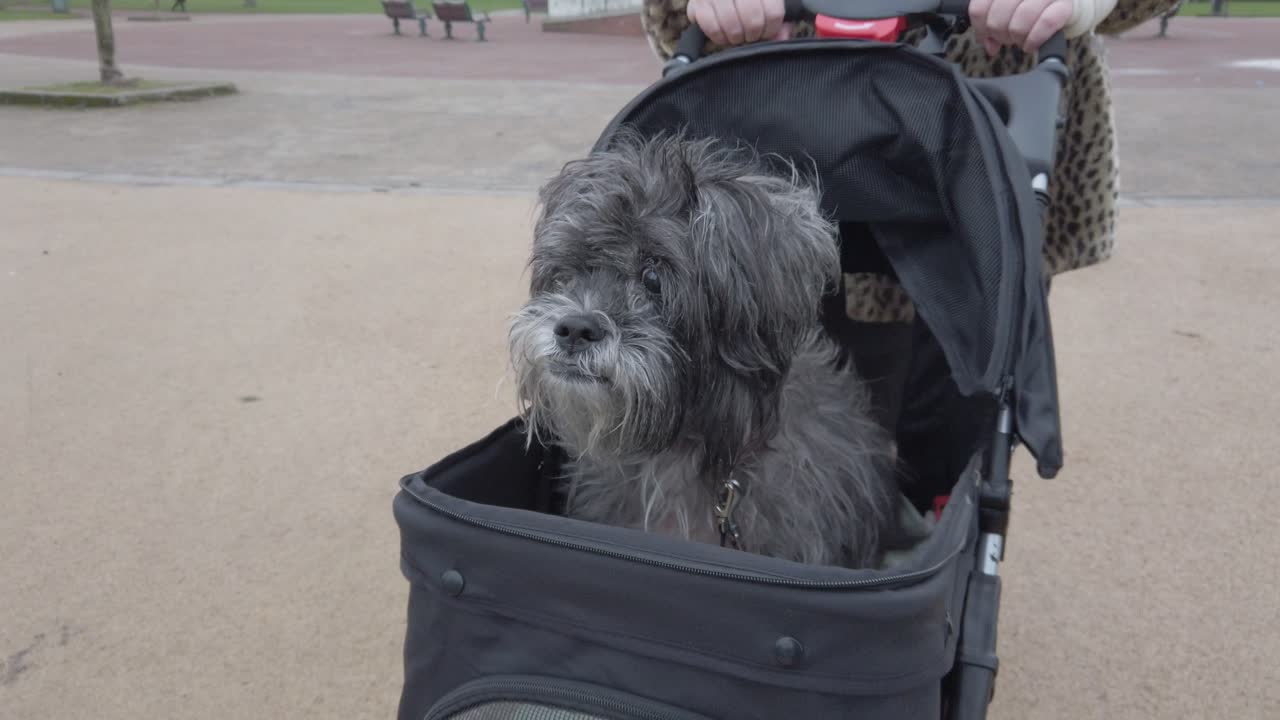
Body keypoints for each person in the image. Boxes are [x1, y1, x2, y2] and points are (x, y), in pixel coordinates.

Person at [639, 0, 1180, 505]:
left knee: (959, 406)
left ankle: (938, 517)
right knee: (778, 396)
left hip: (985, 148)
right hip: (782, 129)